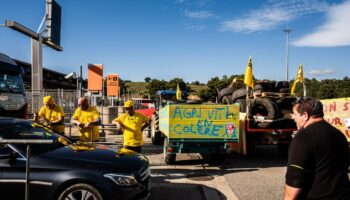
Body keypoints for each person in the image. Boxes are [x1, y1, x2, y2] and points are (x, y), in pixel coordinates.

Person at [284, 97, 350, 200]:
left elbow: (295, 179)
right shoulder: (339, 135)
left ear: (305, 115)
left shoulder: (303, 137)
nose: (293, 118)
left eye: (295, 114)